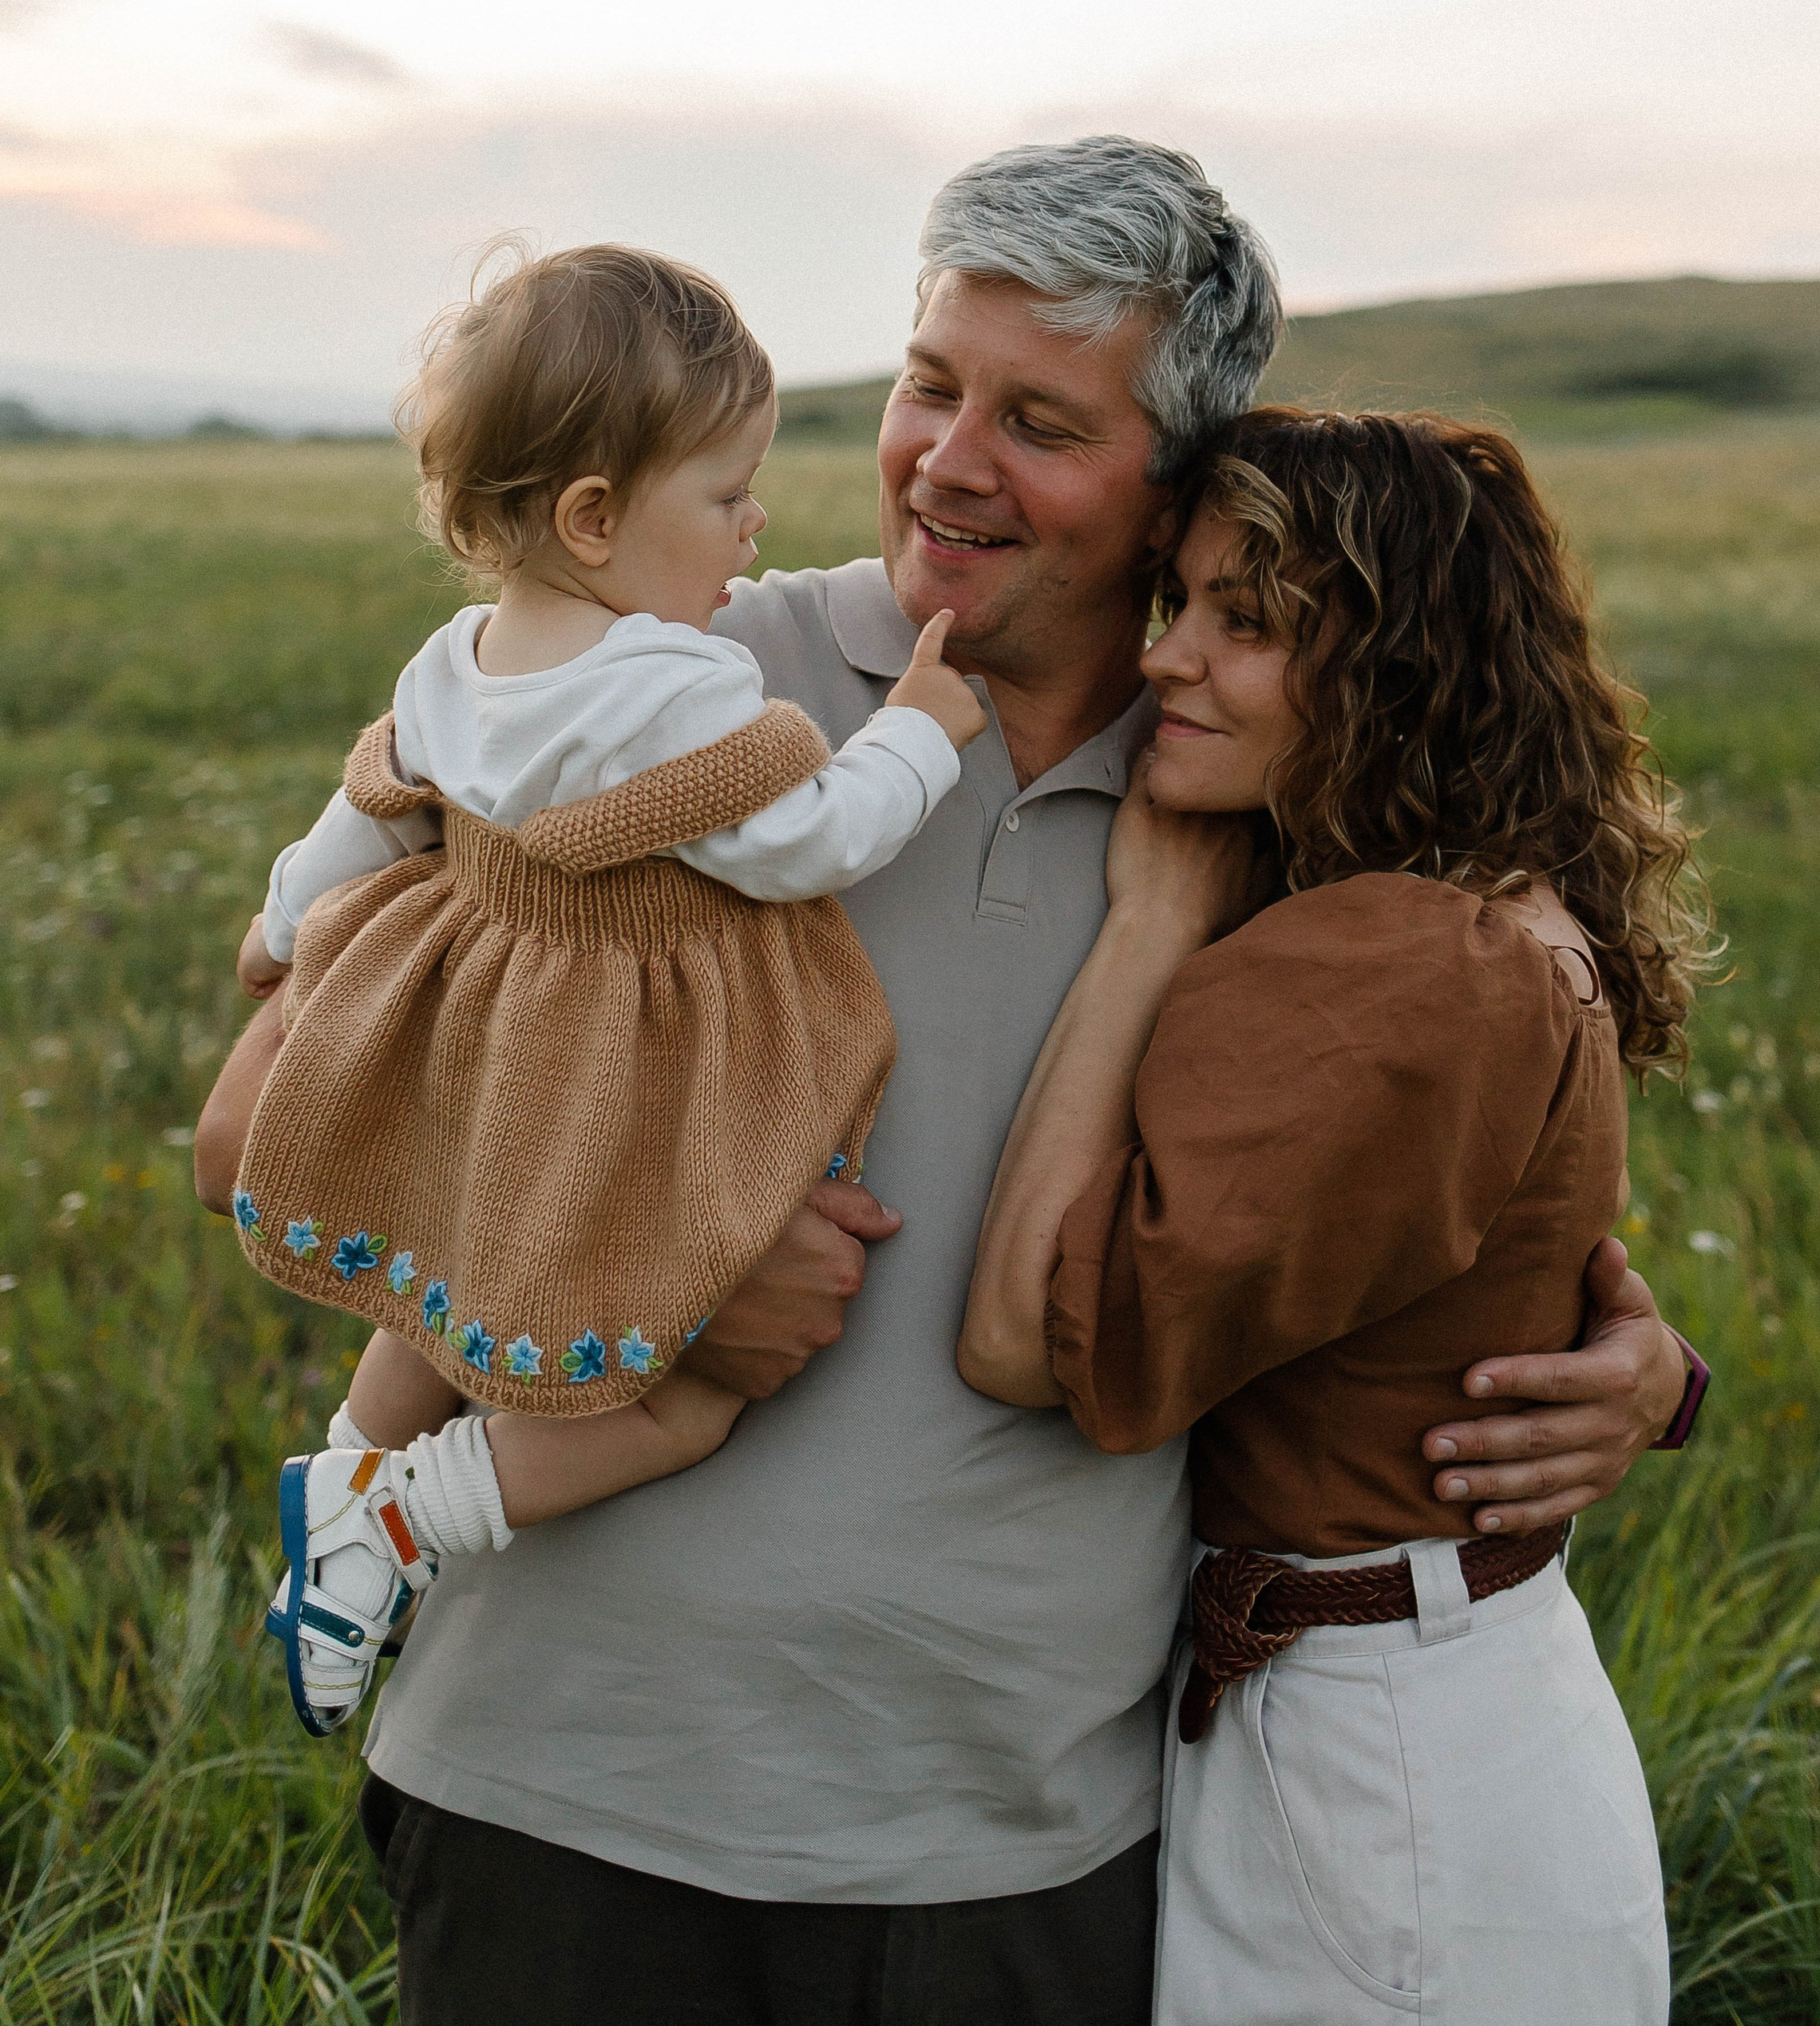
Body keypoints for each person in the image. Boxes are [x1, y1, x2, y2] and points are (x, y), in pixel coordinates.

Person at [197, 139, 1699, 2026]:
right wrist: (656, 1246)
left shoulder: (1261, 787)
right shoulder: (653, 675)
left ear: (1177, 481)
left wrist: (1637, 1368)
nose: (946, 461)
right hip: (562, 1790)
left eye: (1038, 422)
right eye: (929, 385)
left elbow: (1422, 1176)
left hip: (1021, 1849)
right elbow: (262, 1126)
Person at [959, 406, 1709, 2022]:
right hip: (1440, 1714)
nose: (1166, 658)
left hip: (1375, 1765)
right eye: (1179, 603)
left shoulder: (1401, 965)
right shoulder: (1480, 913)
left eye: (1249, 624)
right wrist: (1658, 1373)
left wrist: (1150, 923)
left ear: (1399, 672)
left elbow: (1025, 1337)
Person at [196, 242, 984, 1734]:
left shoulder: (457, 660)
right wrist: (920, 732)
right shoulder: (672, 688)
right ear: (595, 518)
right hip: (612, 1067)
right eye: (728, 494)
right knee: (689, 1397)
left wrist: (283, 927)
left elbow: (370, 808)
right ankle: (413, 1514)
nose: (757, 522)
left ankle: (346, 1491)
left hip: (481, 1047)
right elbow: (810, 841)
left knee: (441, 1287)